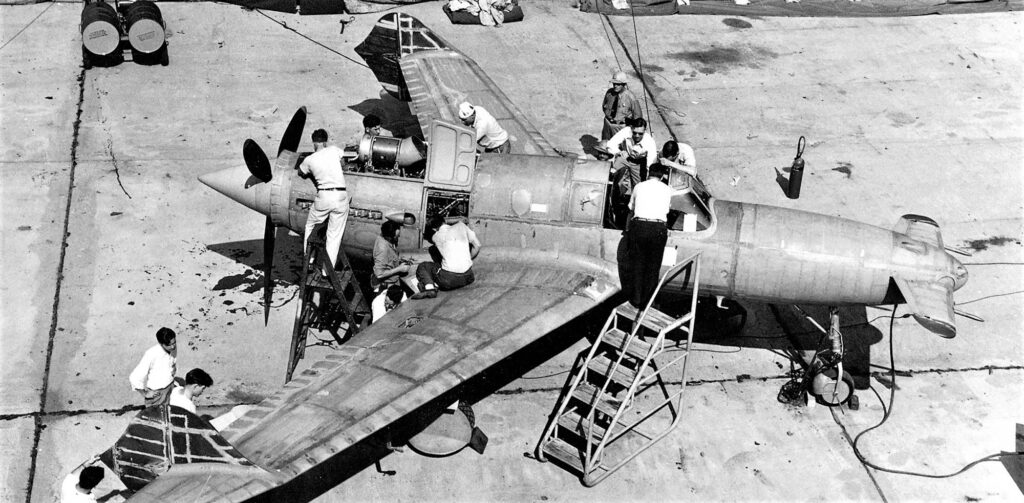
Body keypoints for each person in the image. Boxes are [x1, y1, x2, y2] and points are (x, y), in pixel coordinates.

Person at [299, 128, 350, 273]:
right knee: (334, 235)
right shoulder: (334, 150)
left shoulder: (309, 159)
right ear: (326, 141)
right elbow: (343, 159)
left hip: (324, 196)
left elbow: (301, 172)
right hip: (341, 195)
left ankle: (308, 259)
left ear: (314, 142)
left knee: (311, 225)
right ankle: (327, 270)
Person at [621, 162, 671, 310]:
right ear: (662, 176)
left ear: (649, 173)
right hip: (658, 228)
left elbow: (631, 208)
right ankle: (649, 302)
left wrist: (628, 228)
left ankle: (636, 300)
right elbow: (667, 210)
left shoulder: (638, 187)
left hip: (639, 226)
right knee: (653, 267)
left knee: (637, 264)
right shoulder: (667, 189)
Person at [411, 215, 482, 299]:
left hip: (449, 281)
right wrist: (468, 258)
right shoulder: (462, 226)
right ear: (444, 221)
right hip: (469, 277)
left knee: (423, 266)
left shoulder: (435, 237)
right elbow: (477, 245)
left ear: (434, 229)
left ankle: (429, 289)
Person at [607, 118, 657, 227]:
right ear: (631, 129)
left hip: (638, 164)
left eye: (640, 133)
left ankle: (633, 212)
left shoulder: (650, 142)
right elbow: (610, 144)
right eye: (635, 133)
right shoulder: (626, 131)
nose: (637, 136)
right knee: (610, 175)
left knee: (638, 188)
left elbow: (650, 164)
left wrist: (648, 180)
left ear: (645, 131)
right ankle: (610, 200)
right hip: (624, 158)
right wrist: (619, 152)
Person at [129, 327, 178, 407]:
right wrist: (145, 393)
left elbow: (172, 361)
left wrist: (173, 369)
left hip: (170, 388)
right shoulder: (151, 354)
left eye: (174, 342)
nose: (173, 347)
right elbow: (135, 377)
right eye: (169, 345)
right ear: (161, 343)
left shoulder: (173, 347)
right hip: (157, 395)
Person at [601, 70, 643, 141]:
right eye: (614, 83)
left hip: (620, 127)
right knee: (605, 145)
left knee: (619, 148)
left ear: (624, 84)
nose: (615, 86)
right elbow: (604, 106)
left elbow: (638, 117)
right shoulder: (609, 93)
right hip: (607, 125)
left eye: (618, 84)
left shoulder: (630, 97)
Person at [371, 220, 411, 293]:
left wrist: (398, 259)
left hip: (392, 280)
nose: (398, 236)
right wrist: (400, 269)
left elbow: (390, 255)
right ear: (389, 237)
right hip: (386, 286)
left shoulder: (384, 236)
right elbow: (379, 274)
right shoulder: (382, 249)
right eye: (396, 236)